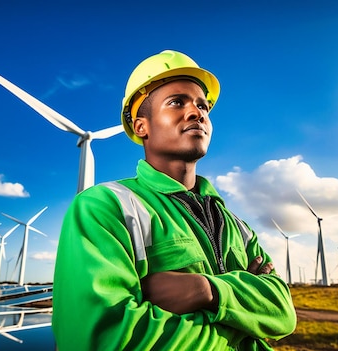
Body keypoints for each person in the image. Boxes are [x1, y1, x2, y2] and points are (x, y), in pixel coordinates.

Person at [52, 50, 296, 350]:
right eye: (176, 102)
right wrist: (245, 327)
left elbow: (283, 314)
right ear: (142, 126)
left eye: (202, 105)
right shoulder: (105, 207)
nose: (197, 113)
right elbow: (103, 339)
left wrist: (207, 291)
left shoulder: (237, 226)